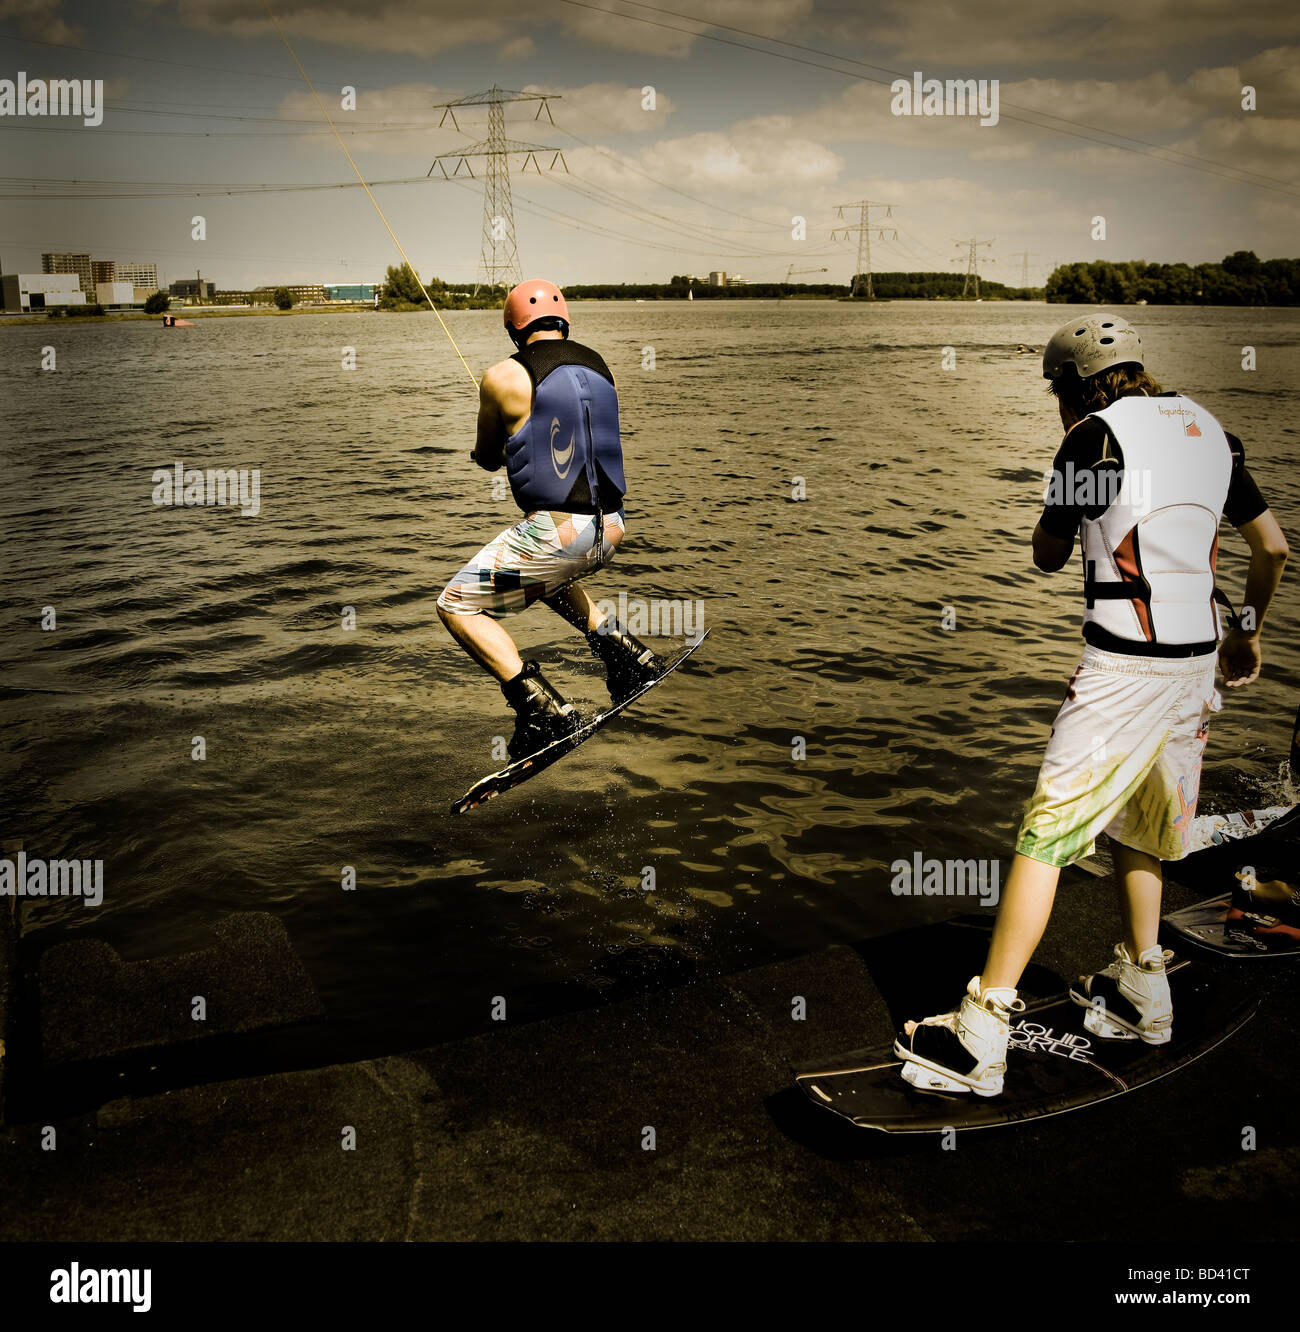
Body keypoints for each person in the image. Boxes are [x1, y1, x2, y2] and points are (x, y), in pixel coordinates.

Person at [895, 313, 1289, 1097]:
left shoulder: (1093, 442)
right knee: (1143, 822)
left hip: (1123, 669)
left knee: (1047, 833)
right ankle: (1144, 987)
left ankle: (980, 1032)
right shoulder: (1214, 434)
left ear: (1072, 387)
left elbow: (1048, 553)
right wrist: (1247, 633)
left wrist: (1071, 493)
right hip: (1196, 665)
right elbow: (1271, 546)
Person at [436, 279, 664, 761]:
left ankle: (543, 711)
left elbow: (489, 457)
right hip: (612, 527)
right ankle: (626, 655)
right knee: (546, 578)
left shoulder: (503, 375)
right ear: (564, 323)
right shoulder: (602, 368)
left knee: (455, 606)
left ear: (514, 329)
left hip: (561, 533)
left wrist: (490, 451)